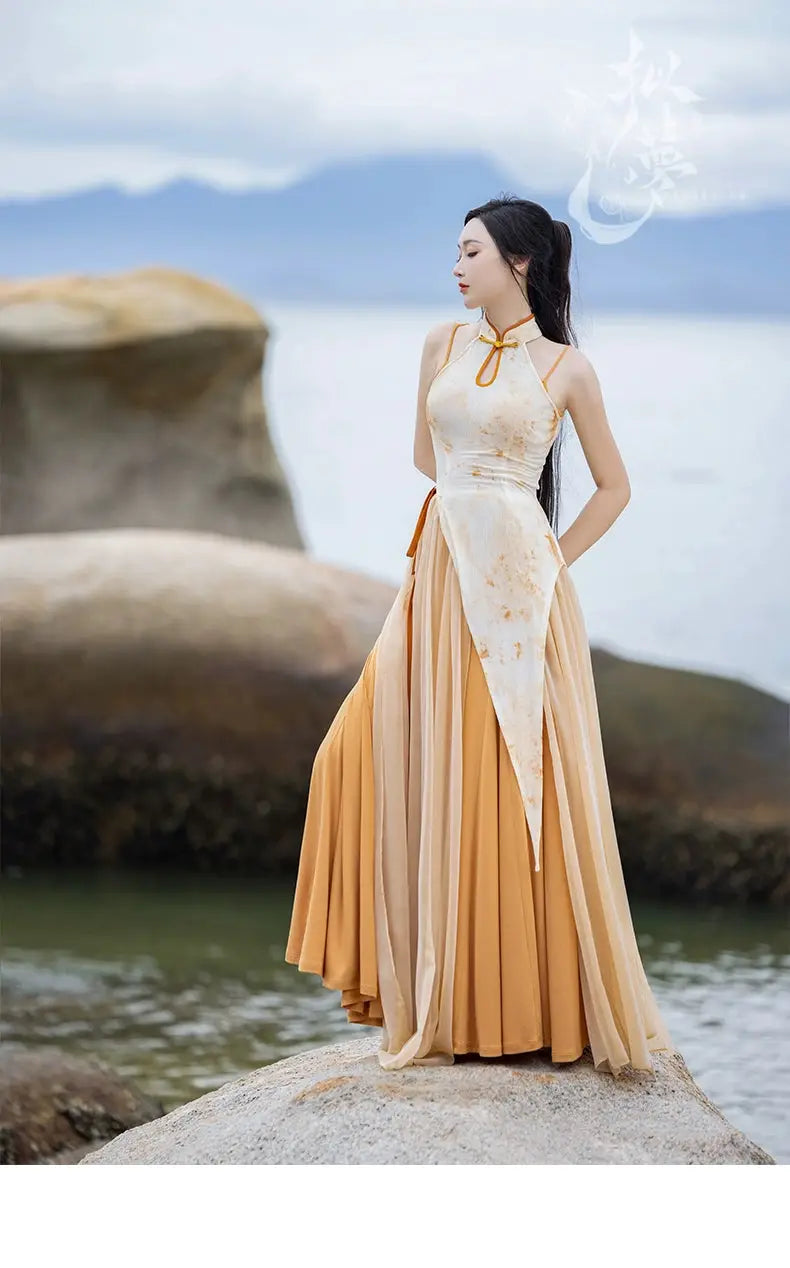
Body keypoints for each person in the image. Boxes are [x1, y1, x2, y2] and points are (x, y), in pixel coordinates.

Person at [285, 194, 675, 1076]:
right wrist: (476, 511)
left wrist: (549, 562)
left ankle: (513, 1010)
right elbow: (429, 461)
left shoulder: (568, 368)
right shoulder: (441, 345)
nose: (456, 265)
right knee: (356, 754)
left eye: (471, 251)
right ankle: (431, 989)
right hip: (439, 571)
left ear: (520, 262)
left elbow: (614, 488)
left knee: (511, 785)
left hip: (521, 592)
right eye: (455, 251)